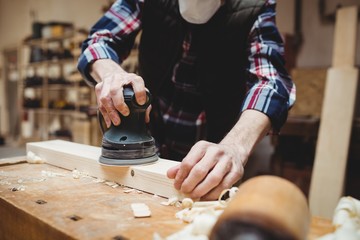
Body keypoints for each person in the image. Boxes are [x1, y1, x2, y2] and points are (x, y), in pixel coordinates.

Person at [78, 0, 295, 200]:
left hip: (212, 156)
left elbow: (272, 83)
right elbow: (100, 40)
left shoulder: (255, 5)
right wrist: (112, 75)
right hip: (152, 140)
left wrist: (235, 147)